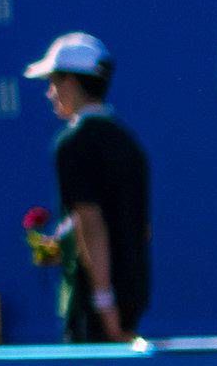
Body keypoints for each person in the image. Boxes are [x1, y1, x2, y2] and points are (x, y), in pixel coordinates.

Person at [26, 32, 143, 344]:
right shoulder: (128, 143)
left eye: (52, 82)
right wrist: (63, 242)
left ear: (70, 83)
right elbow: (134, 225)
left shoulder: (72, 143)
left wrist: (104, 303)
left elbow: (92, 223)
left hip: (94, 307)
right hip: (131, 294)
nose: (49, 93)